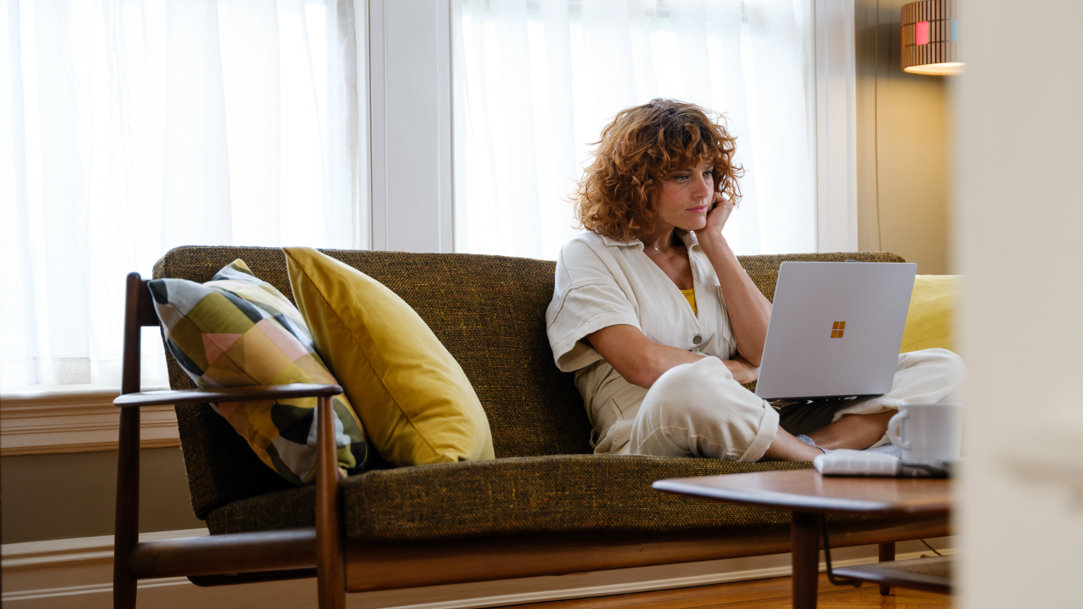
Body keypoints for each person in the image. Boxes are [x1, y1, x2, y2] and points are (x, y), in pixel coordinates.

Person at [545, 99, 962, 461]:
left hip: (752, 421)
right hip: (651, 429)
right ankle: (817, 459)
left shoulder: (703, 253)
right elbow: (643, 364)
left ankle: (814, 448)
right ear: (635, 183)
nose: (703, 191)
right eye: (681, 176)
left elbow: (766, 352)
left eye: (708, 173)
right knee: (690, 381)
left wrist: (714, 242)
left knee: (942, 367)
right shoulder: (587, 255)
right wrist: (735, 371)